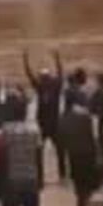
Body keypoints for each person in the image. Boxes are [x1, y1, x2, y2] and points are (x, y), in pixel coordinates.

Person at [0, 95, 43, 206]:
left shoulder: (6, 130)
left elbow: (3, 157)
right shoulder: (34, 129)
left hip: (12, 178)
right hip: (31, 177)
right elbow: (38, 156)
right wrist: (41, 178)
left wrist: (3, 179)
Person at [59, 90, 103, 206]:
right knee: (93, 182)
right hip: (88, 153)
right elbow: (95, 137)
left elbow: (61, 141)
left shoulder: (63, 118)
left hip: (74, 154)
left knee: (79, 183)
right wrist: (100, 154)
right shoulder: (87, 115)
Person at [22, 50, 66, 185]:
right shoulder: (56, 86)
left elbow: (29, 75)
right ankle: (63, 176)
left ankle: (40, 178)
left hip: (42, 124)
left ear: (42, 77)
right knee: (60, 151)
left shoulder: (40, 86)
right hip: (54, 123)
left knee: (38, 152)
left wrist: (25, 60)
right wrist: (57, 58)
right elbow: (61, 74)